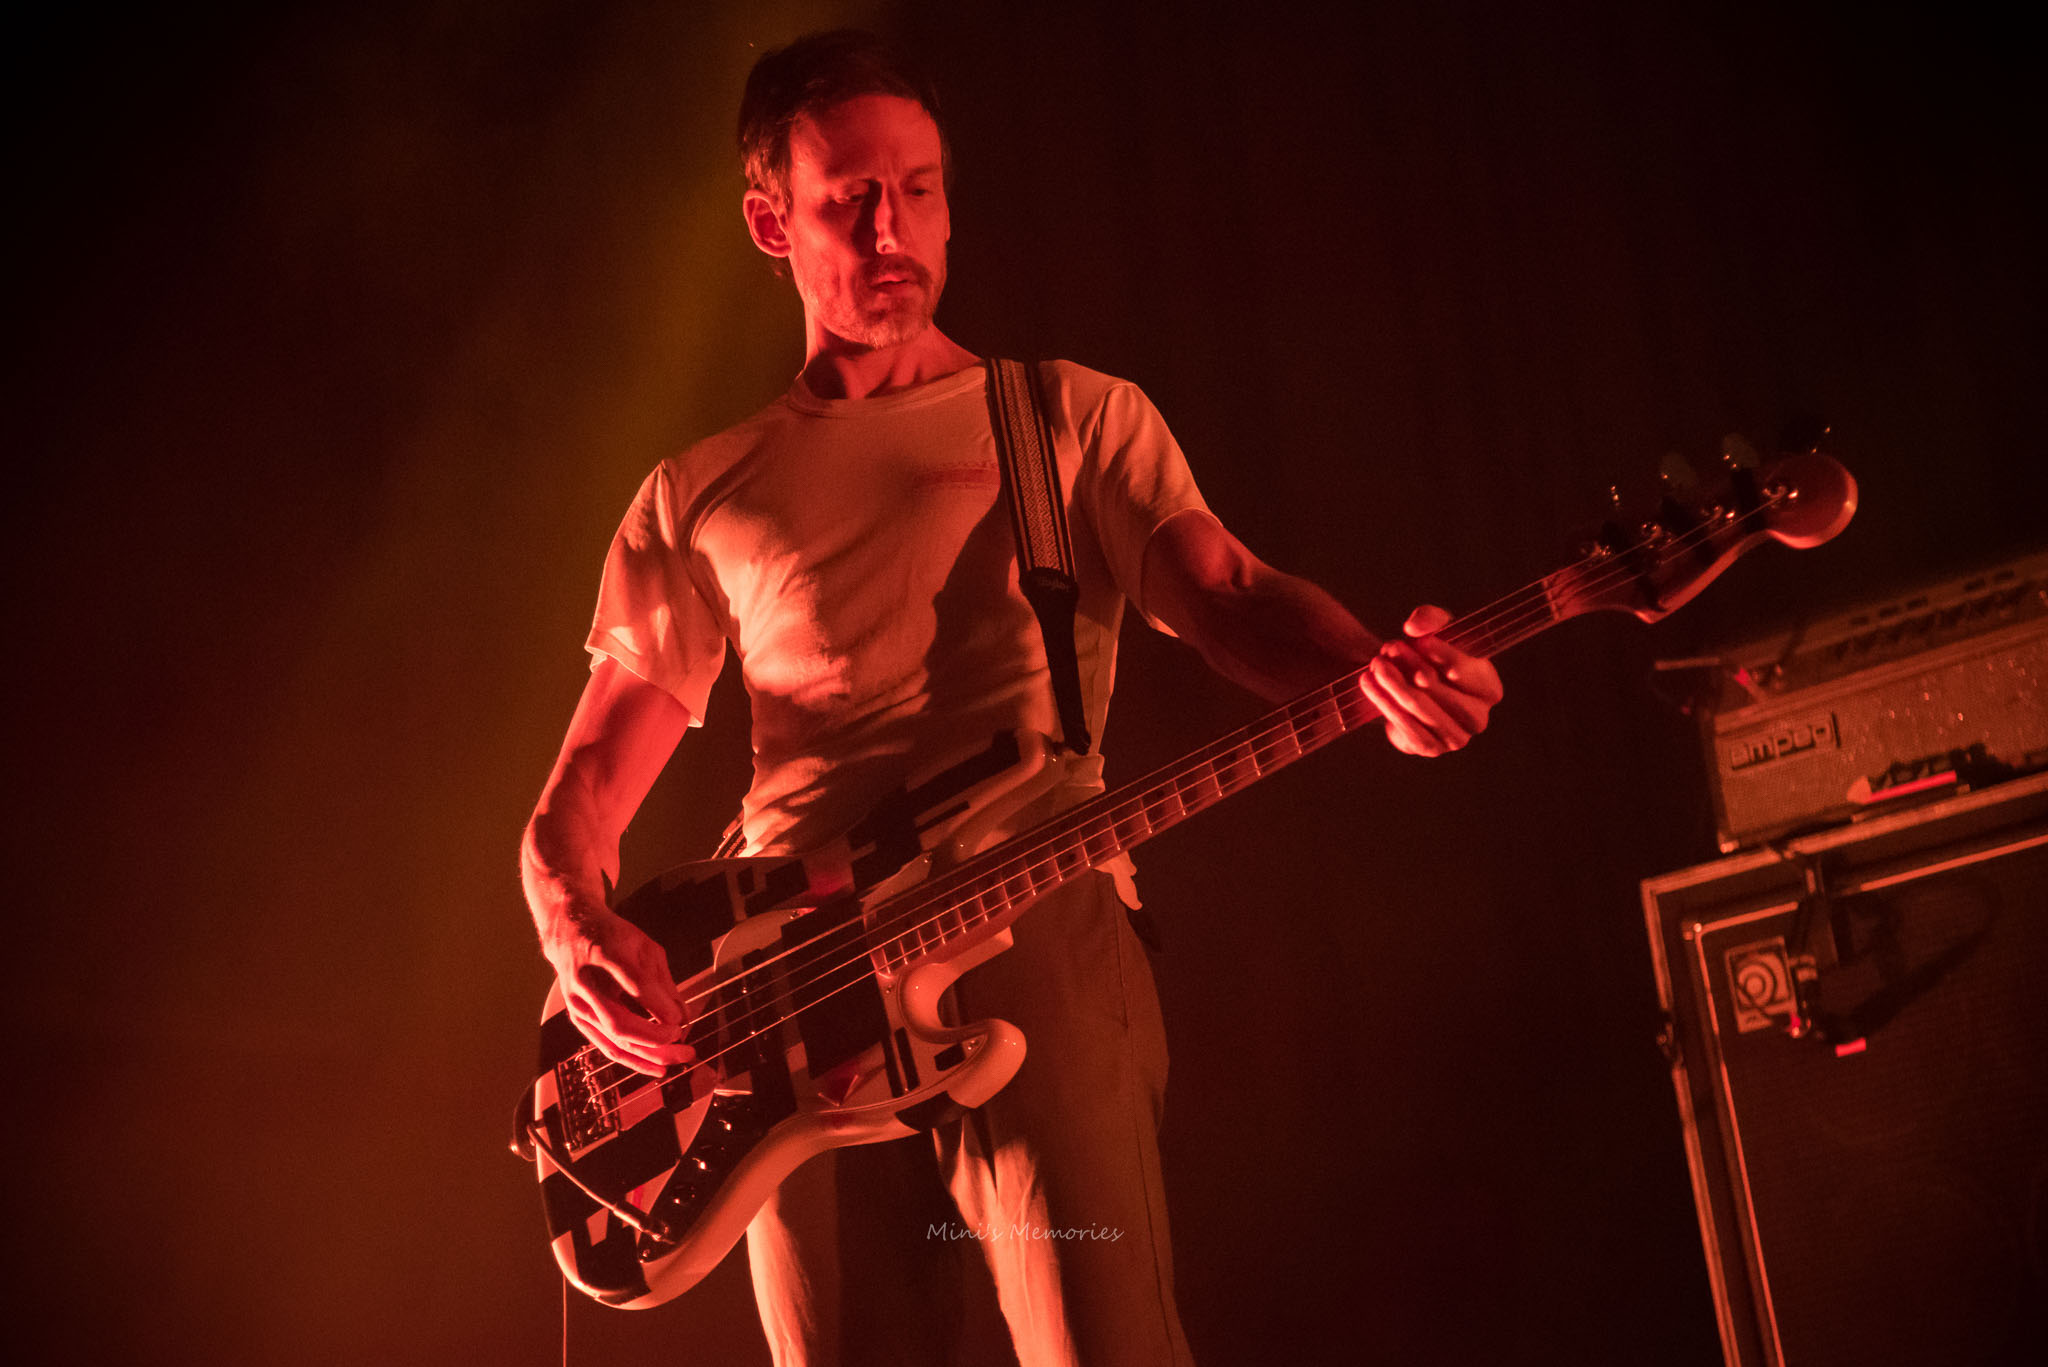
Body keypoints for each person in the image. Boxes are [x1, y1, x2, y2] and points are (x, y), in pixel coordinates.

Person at [519, 29, 1502, 1367]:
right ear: (770, 223)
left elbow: (1229, 596)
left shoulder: (1070, 419)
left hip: (1032, 912)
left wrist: (1371, 673)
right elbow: (584, 790)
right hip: (782, 998)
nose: (893, 229)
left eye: (920, 190)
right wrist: (575, 923)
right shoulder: (698, 492)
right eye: (849, 199)